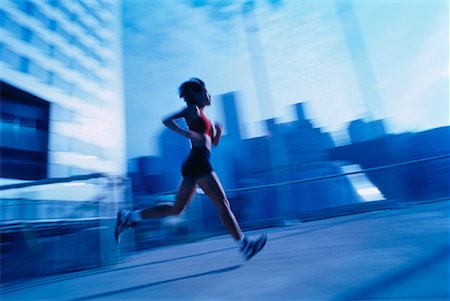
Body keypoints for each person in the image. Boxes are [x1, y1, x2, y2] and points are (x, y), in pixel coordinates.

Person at [114, 78, 266, 260]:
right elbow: (167, 120)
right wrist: (186, 133)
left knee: (176, 209)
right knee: (222, 203)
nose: (209, 95)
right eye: (205, 92)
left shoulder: (202, 115)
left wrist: (216, 132)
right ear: (195, 94)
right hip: (198, 162)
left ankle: (130, 216)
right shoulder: (193, 109)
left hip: (195, 163)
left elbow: (213, 144)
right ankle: (245, 245)